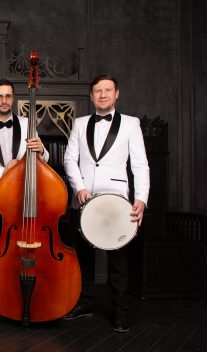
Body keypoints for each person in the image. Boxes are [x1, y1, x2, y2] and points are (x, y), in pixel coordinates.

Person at [62, 74, 150, 333]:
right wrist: (79, 187)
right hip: (85, 201)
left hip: (117, 203)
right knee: (84, 258)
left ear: (116, 94)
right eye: (98, 91)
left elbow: (140, 164)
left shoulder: (131, 124)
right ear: (91, 96)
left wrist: (141, 199)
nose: (103, 95)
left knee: (118, 263)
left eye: (108, 90)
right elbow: (69, 159)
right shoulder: (79, 123)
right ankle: (85, 303)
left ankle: (120, 312)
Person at [0, 79, 48, 318]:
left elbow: (43, 163)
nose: (4, 100)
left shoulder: (27, 124)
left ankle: (16, 300)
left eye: (8, 96)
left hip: (22, 202)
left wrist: (42, 151)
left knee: (17, 254)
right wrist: (2, 172)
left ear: (13, 98)